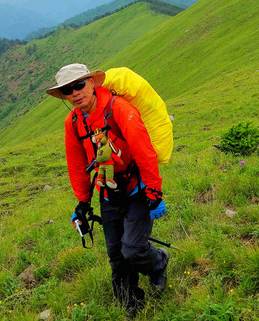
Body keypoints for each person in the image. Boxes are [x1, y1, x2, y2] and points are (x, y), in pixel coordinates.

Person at [46, 63, 169, 316]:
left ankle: (158, 263)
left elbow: (144, 151)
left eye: (79, 84)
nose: (75, 93)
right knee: (116, 255)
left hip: (136, 189)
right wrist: (82, 203)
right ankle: (129, 302)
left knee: (132, 249)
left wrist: (154, 191)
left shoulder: (119, 109)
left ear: (92, 82)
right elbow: (77, 164)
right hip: (107, 191)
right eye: (68, 90)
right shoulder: (74, 122)